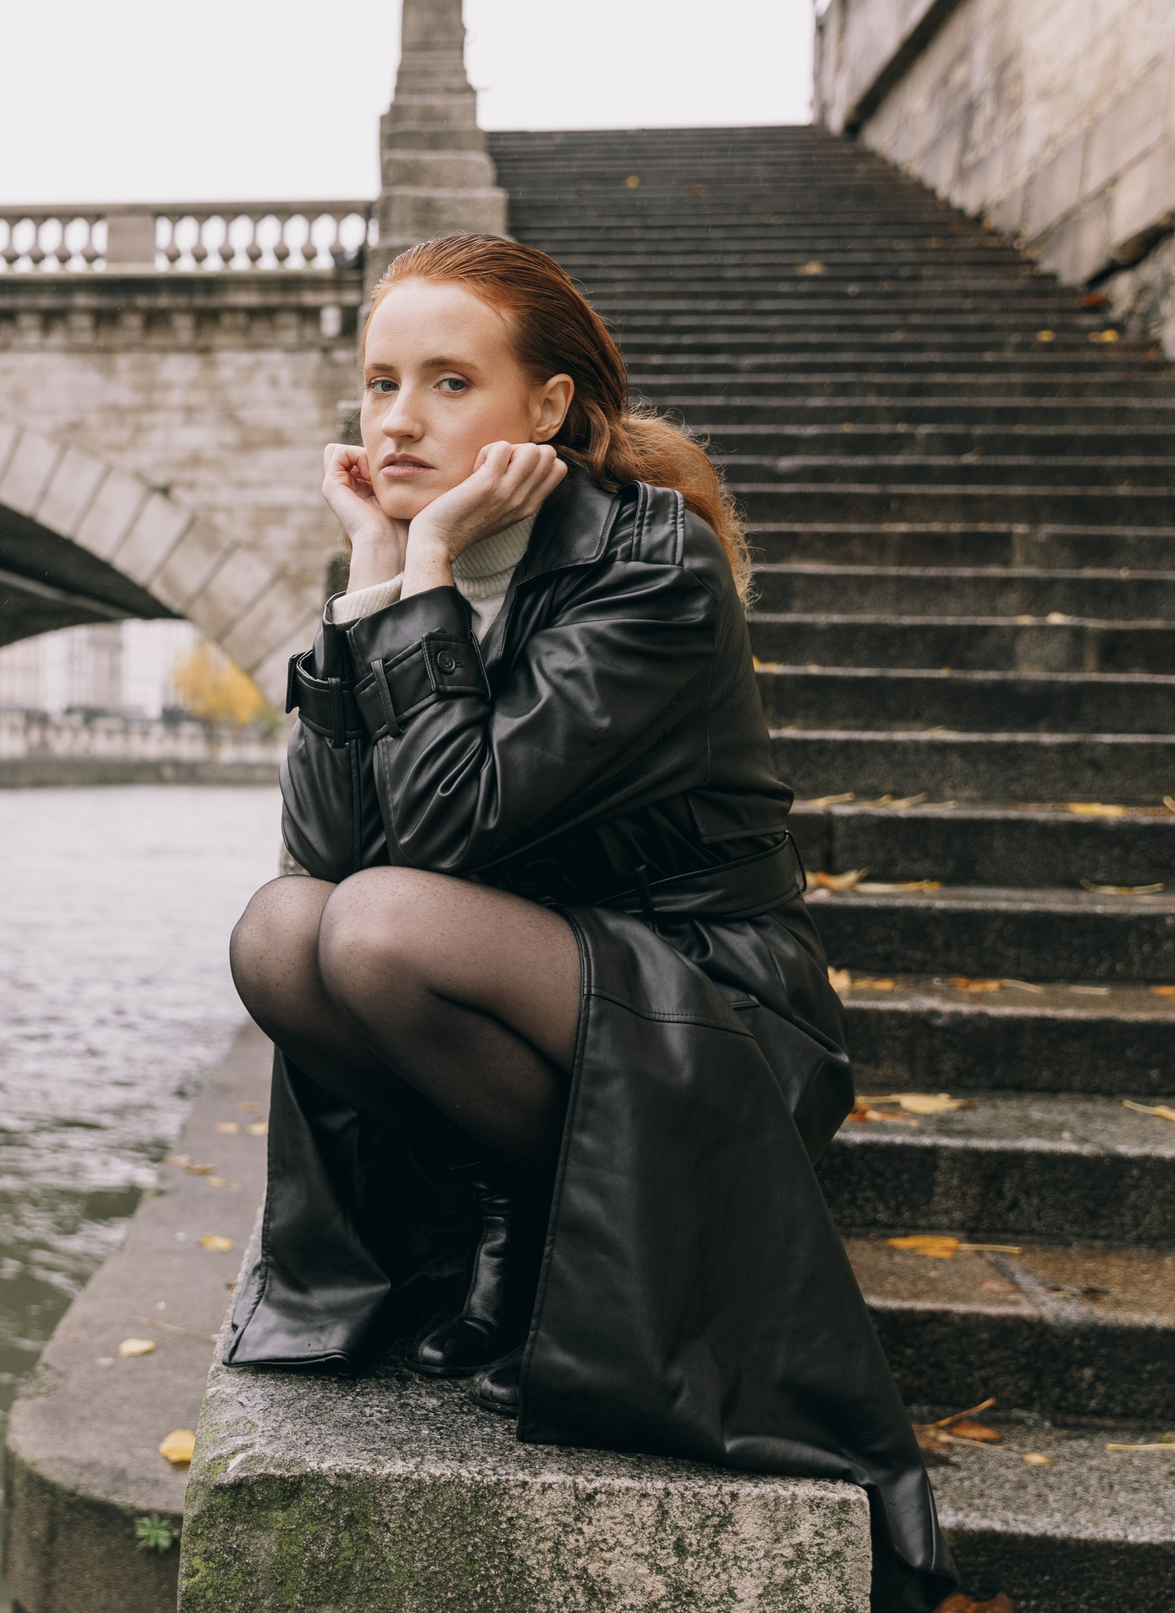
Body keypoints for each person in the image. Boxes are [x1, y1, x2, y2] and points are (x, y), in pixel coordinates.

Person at [224, 233, 958, 1611]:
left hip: (708, 1011)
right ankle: (514, 1222)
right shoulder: (395, 569)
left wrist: (426, 563)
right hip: (529, 983)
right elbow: (326, 848)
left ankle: (533, 1237)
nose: (398, 419)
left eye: (450, 384)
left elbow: (441, 837)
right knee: (284, 930)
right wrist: (379, 575)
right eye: (382, 382)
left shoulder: (649, 565)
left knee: (379, 930)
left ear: (547, 410)